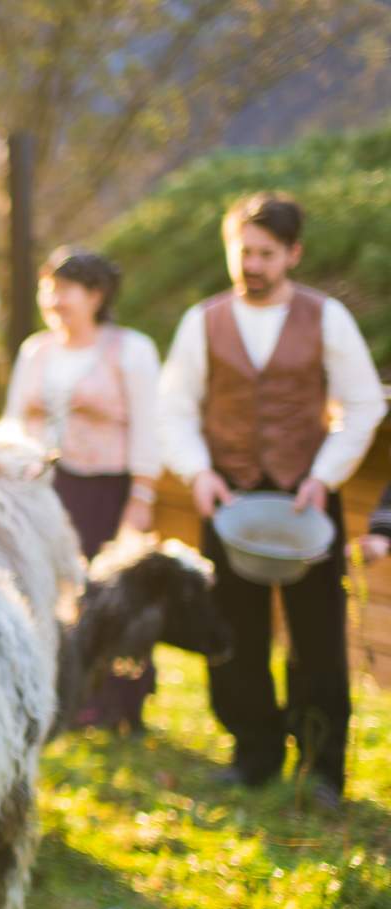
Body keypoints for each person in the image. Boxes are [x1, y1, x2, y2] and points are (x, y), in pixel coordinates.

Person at [158, 193, 386, 809]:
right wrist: (198, 473)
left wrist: (326, 476)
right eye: (243, 252)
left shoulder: (327, 317)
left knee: (317, 636)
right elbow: (173, 409)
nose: (251, 265)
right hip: (226, 495)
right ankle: (253, 753)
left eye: (265, 254)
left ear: (293, 254)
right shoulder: (201, 322)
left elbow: (364, 404)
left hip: (306, 497)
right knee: (233, 629)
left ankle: (320, 768)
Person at [5, 248, 162, 733]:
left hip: (105, 490)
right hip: (45, 491)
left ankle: (114, 702)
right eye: (47, 288)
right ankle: (58, 694)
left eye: (65, 289)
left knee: (106, 592)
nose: (54, 300)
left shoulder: (129, 350)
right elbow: (13, 421)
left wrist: (142, 496)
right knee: (47, 592)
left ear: (96, 295)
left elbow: (148, 426)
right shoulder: (36, 351)